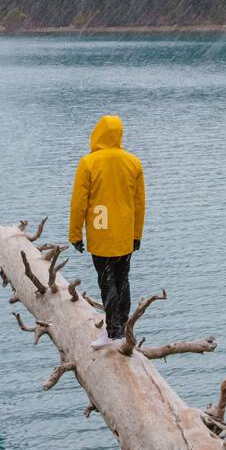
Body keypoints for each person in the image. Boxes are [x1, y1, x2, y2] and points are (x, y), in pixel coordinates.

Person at [68, 114, 146, 349]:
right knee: (123, 280)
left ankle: (113, 334)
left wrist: (75, 235)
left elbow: (79, 203)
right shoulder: (133, 162)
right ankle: (121, 329)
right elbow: (140, 203)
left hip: (101, 231)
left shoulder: (89, 163)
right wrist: (137, 234)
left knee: (106, 281)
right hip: (124, 233)